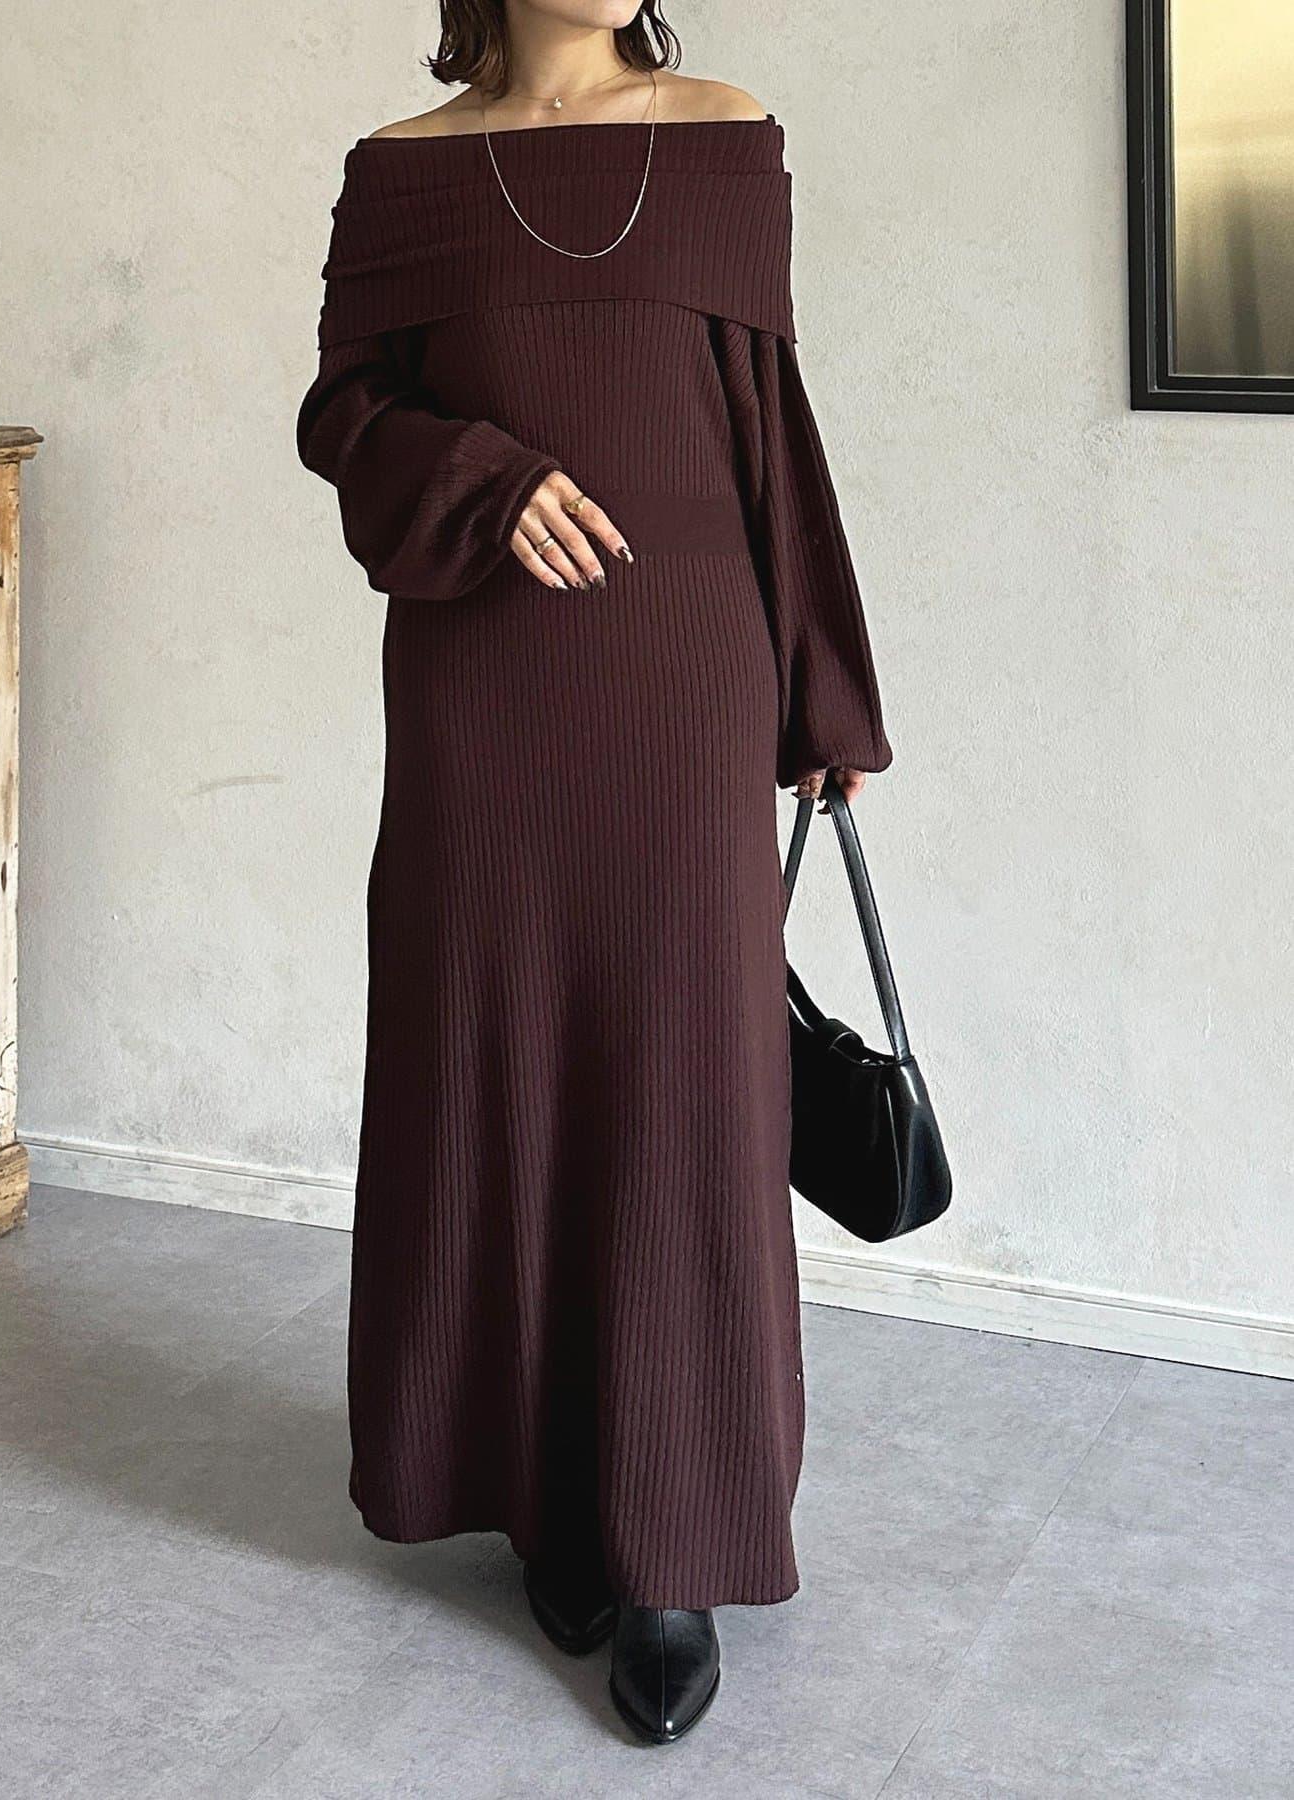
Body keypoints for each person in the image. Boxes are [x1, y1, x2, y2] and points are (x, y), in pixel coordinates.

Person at [296, 0, 892, 1746]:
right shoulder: (399, 172)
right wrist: (481, 480)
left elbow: (771, 427)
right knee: (489, 1067)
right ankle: (540, 1494)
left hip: (686, 674)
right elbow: (344, 415)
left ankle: (673, 1542)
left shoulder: (722, 133)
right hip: (482, 686)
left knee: (684, 1091)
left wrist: (822, 690)